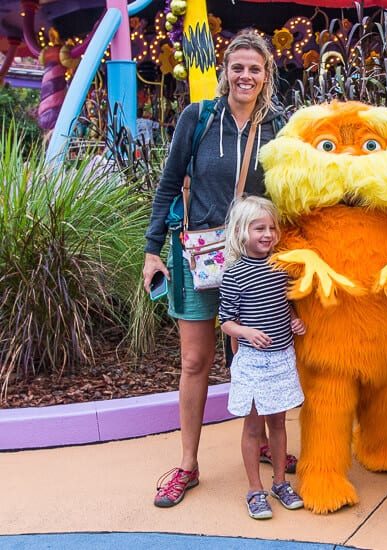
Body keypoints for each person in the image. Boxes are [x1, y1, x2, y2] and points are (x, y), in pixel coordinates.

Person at [143, 29, 289, 508]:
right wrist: (151, 249)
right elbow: (168, 186)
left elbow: (294, 195)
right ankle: (187, 464)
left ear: (266, 75)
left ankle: (265, 444)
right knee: (195, 360)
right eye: (238, 67)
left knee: (259, 353)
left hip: (256, 260)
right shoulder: (199, 117)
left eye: (255, 68)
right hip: (200, 255)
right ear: (225, 71)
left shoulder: (278, 127)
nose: (245, 75)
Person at [218, 196, 306, 519]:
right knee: (254, 427)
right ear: (242, 232)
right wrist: (246, 333)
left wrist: (295, 319)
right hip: (254, 362)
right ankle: (255, 490)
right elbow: (225, 320)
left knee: (279, 422)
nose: (267, 234)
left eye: (271, 228)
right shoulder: (234, 275)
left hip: (282, 356)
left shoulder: (280, 266)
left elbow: (287, 303)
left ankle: (280, 482)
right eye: (259, 228)